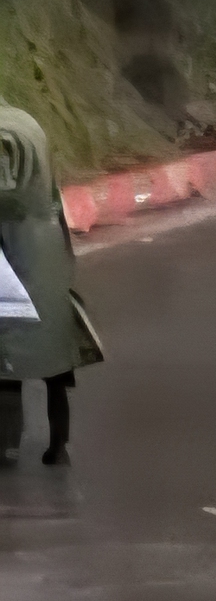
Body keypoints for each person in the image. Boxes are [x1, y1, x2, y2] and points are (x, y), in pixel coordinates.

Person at [0, 104, 104, 466]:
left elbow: (5, 195)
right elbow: (52, 191)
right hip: (49, 247)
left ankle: (8, 446)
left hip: (15, 249)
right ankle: (61, 446)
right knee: (56, 359)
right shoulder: (30, 121)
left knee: (8, 355)